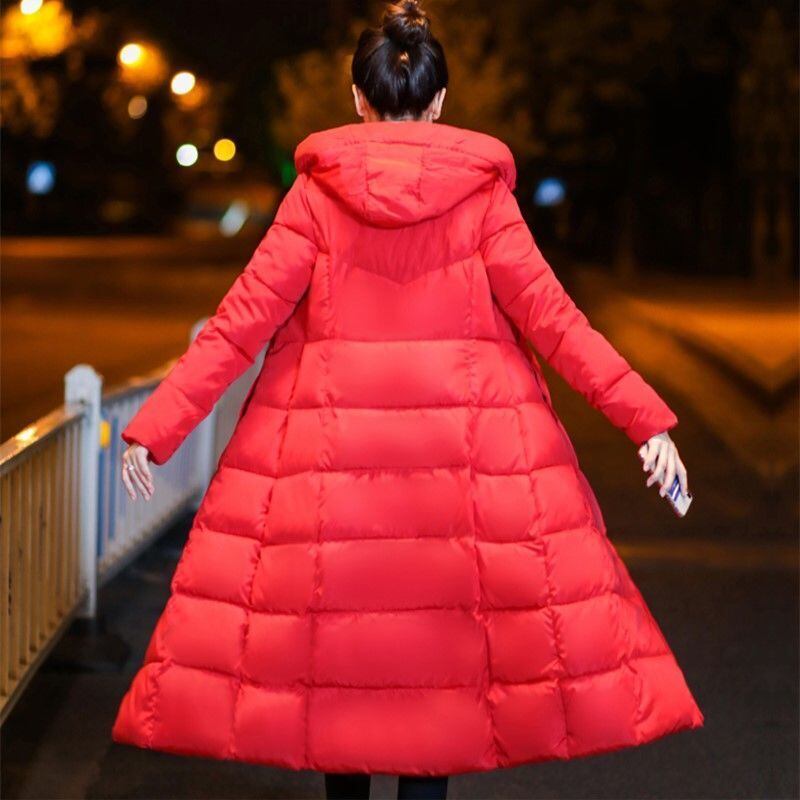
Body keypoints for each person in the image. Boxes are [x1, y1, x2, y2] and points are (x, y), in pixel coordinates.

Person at [113, 2, 703, 799]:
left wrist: (156, 428)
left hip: (331, 484)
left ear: (356, 97)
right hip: (458, 485)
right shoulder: (482, 198)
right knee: (440, 691)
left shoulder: (316, 196)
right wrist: (645, 422)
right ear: (440, 101)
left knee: (339, 679)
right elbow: (556, 320)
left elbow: (240, 321)